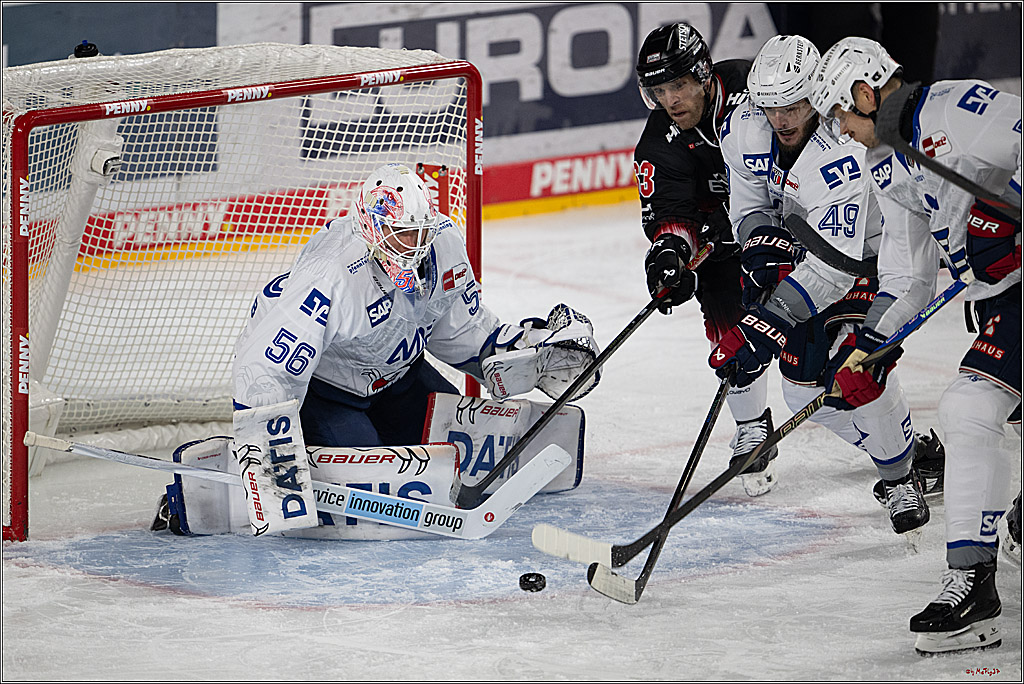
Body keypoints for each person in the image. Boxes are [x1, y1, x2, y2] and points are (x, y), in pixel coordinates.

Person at [153, 163, 601, 536]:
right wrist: (271, 458)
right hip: (329, 396)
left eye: (417, 231)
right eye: (399, 235)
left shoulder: (442, 242)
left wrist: (525, 356)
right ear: (370, 227)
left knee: (458, 472)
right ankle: (184, 503)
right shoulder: (332, 275)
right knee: (373, 507)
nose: (413, 245)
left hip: (401, 380)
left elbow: (461, 331)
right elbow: (266, 370)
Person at [811, 37, 1021, 655]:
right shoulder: (884, 163)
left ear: (865, 92)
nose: (844, 132)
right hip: (1001, 301)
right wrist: (870, 347)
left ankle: (971, 582)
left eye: (843, 117)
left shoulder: (960, 109)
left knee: (968, 408)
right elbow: (908, 277)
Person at [710, 34, 941, 537]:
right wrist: (758, 249)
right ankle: (907, 448)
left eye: (793, 104)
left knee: (853, 362)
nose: (782, 119)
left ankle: (898, 476)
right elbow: (748, 207)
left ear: (816, 94)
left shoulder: (843, 148)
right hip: (810, 255)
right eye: (771, 106)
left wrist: (771, 315)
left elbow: (835, 266)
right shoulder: (744, 128)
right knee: (801, 393)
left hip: (870, 260)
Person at [635, 22, 779, 496]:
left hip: (795, 229)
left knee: (826, 357)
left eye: (678, 85)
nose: (670, 100)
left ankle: (899, 453)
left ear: (702, 73)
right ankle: (753, 425)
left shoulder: (755, 90)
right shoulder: (660, 139)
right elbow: (671, 211)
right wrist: (671, 254)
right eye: (659, 90)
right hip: (725, 247)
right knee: (729, 337)